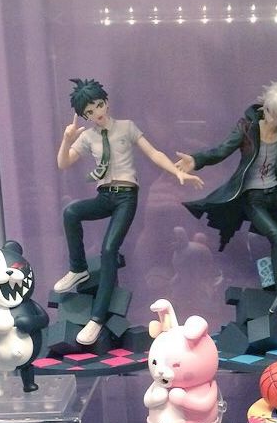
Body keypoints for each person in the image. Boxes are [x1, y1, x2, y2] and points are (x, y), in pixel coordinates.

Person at [54, 78, 203, 345]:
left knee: (109, 249)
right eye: (90, 112)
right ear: (85, 116)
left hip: (125, 196)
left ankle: (96, 319)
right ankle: (78, 268)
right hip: (104, 195)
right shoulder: (87, 137)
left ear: (106, 102)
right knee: (71, 212)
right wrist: (67, 140)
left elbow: (154, 153)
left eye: (98, 105)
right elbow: (64, 163)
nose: (97, 113)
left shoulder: (126, 127)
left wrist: (177, 172)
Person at [176, 81, 277, 327]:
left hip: (276, 193)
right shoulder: (247, 127)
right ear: (266, 107)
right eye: (272, 113)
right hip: (253, 199)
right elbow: (222, 150)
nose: (274, 120)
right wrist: (196, 160)